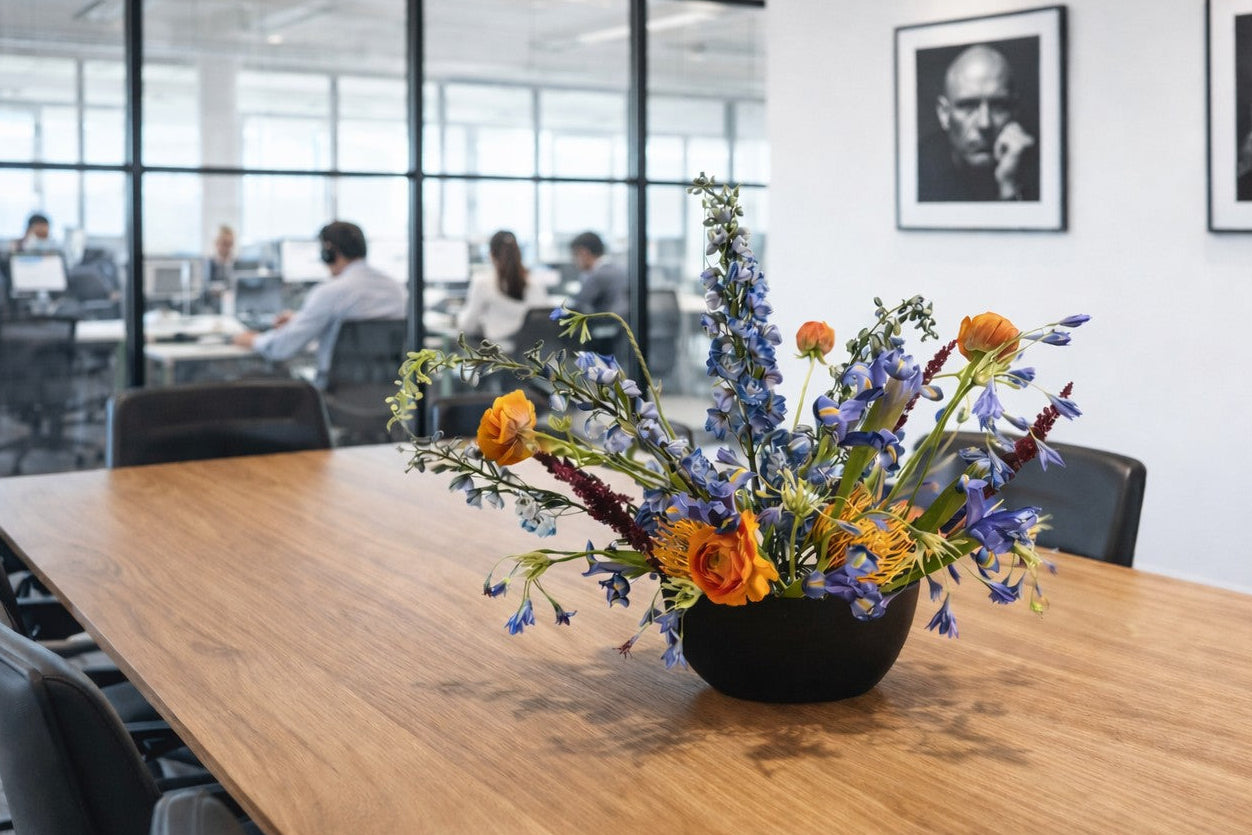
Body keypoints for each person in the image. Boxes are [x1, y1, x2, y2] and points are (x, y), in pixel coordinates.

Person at [233, 221, 407, 385]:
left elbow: (282, 348)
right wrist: (301, 319)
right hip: (389, 395)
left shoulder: (330, 291)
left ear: (329, 253)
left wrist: (253, 339)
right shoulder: (397, 289)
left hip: (337, 393)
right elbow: (364, 333)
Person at [918, 44, 1039, 202]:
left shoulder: (1042, 168)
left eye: (998, 106)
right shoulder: (917, 172)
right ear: (944, 114)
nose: (985, 124)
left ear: (1014, 110)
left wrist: (1010, 186)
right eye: (968, 106)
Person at [457, 230, 547, 352]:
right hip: (532, 358)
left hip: (500, 359)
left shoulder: (483, 282)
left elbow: (468, 326)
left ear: (491, 255)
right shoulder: (535, 282)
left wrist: (458, 318)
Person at [568, 231, 628, 319]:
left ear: (584, 253)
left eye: (574, 255)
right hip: (623, 322)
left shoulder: (598, 274)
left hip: (610, 324)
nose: (573, 260)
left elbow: (579, 303)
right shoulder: (616, 268)